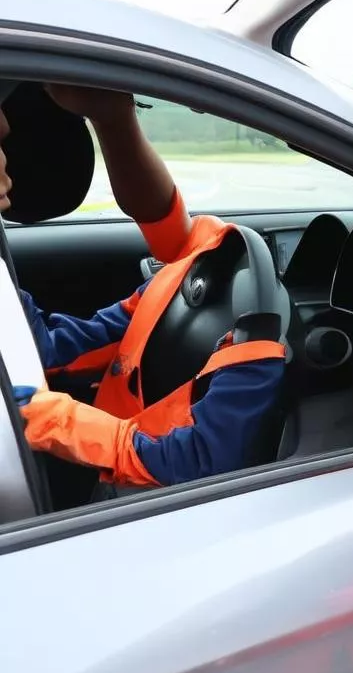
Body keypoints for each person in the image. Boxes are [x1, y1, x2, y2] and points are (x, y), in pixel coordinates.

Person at [5, 85, 285, 492]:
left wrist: (114, 120)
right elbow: (203, 462)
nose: (6, 152)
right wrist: (255, 351)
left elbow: (46, 351)